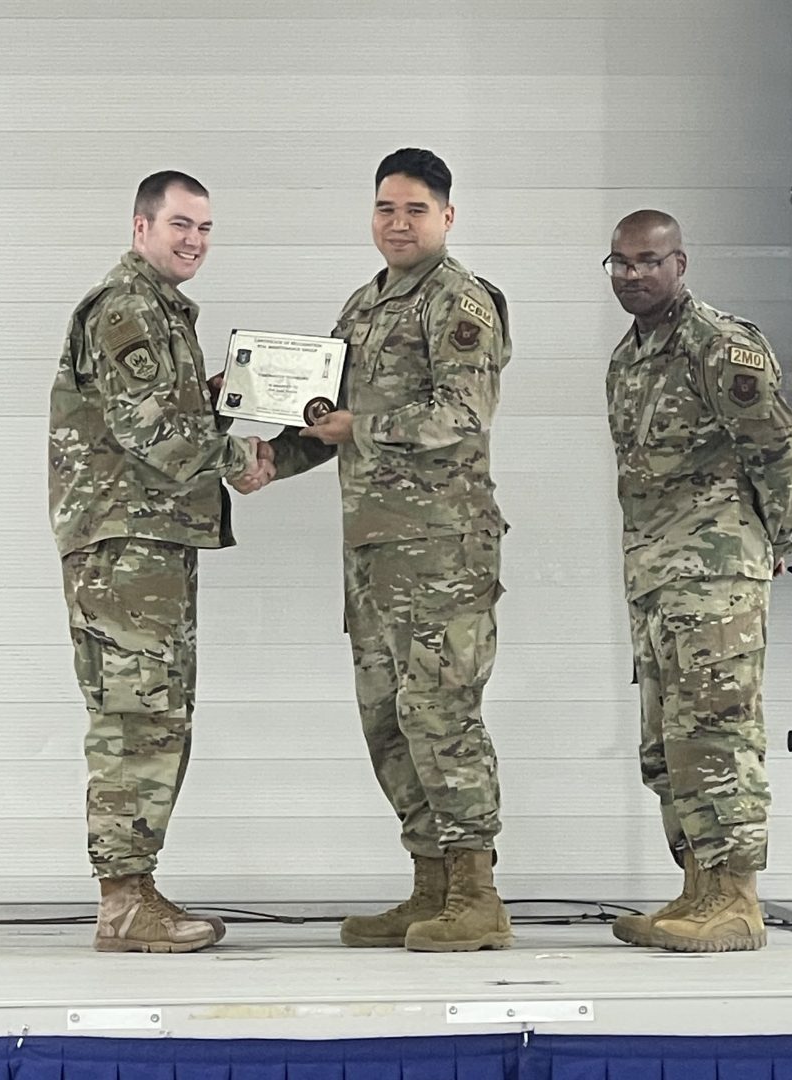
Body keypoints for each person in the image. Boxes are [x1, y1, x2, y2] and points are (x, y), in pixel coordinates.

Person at [267, 148, 514, 952]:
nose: (397, 223)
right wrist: (271, 456)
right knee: (389, 723)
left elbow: (461, 412)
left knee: (441, 718)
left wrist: (358, 429)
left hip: (441, 553)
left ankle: (476, 897)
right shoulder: (363, 304)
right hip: (373, 554)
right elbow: (323, 415)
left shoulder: (458, 301)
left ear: (446, 216)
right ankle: (430, 887)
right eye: (384, 208)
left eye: (413, 209)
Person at [48, 170, 273, 953]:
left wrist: (223, 400)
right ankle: (122, 903)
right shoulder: (128, 309)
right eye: (180, 224)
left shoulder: (162, 312)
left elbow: (160, 416)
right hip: (125, 548)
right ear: (141, 226)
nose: (193, 241)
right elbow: (153, 434)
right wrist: (241, 456)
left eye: (205, 228)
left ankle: (135, 888)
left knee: (157, 716)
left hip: (150, 543)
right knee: (135, 717)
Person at [603, 209, 792, 952]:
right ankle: (696, 889)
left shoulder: (720, 346)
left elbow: (779, 449)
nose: (632, 274)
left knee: (716, 733)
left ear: (679, 264)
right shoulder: (627, 359)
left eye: (647, 261)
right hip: (656, 578)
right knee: (668, 742)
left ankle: (736, 902)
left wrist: (777, 540)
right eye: (620, 263)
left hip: (716, 575)